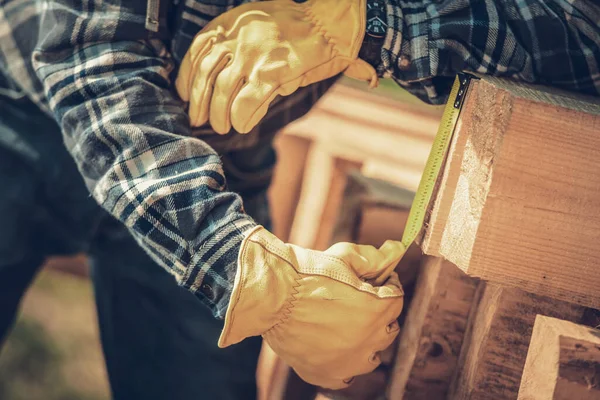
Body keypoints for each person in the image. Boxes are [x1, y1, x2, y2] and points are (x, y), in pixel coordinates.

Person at [0, 0, 598, 398]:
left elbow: (583, 38)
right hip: (18, 129)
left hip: (218, 167)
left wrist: (371, 24)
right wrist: (255, 280)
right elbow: (91, 61)